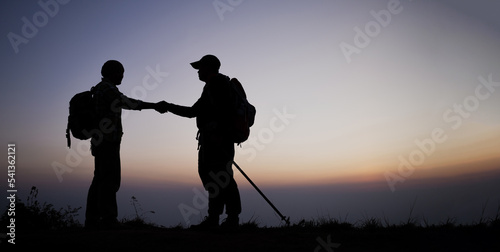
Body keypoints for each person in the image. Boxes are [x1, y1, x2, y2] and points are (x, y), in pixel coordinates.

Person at [159, 55, 242, 229]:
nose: (197, 71)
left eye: (200, 67)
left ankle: (229, 220)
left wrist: (220, 134)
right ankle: (217, 219)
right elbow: (193, 112)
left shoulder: (217, 85)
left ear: (209, 67)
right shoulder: (212, 86)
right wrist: (168, 106)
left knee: (222, 177)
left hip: (217, 141)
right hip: (213, 140)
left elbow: (225, 111)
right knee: (216, 177)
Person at [85, 60, 165, 229]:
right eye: (121, 73)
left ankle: (92, 220)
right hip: (107, 142)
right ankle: (108, 220)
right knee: (109, 180)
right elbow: (127, 102)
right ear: (112, 72)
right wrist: (153, 106)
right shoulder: (107, 88)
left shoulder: (102, 88)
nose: (122, 76)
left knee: (99, 179)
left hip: (102, 142)